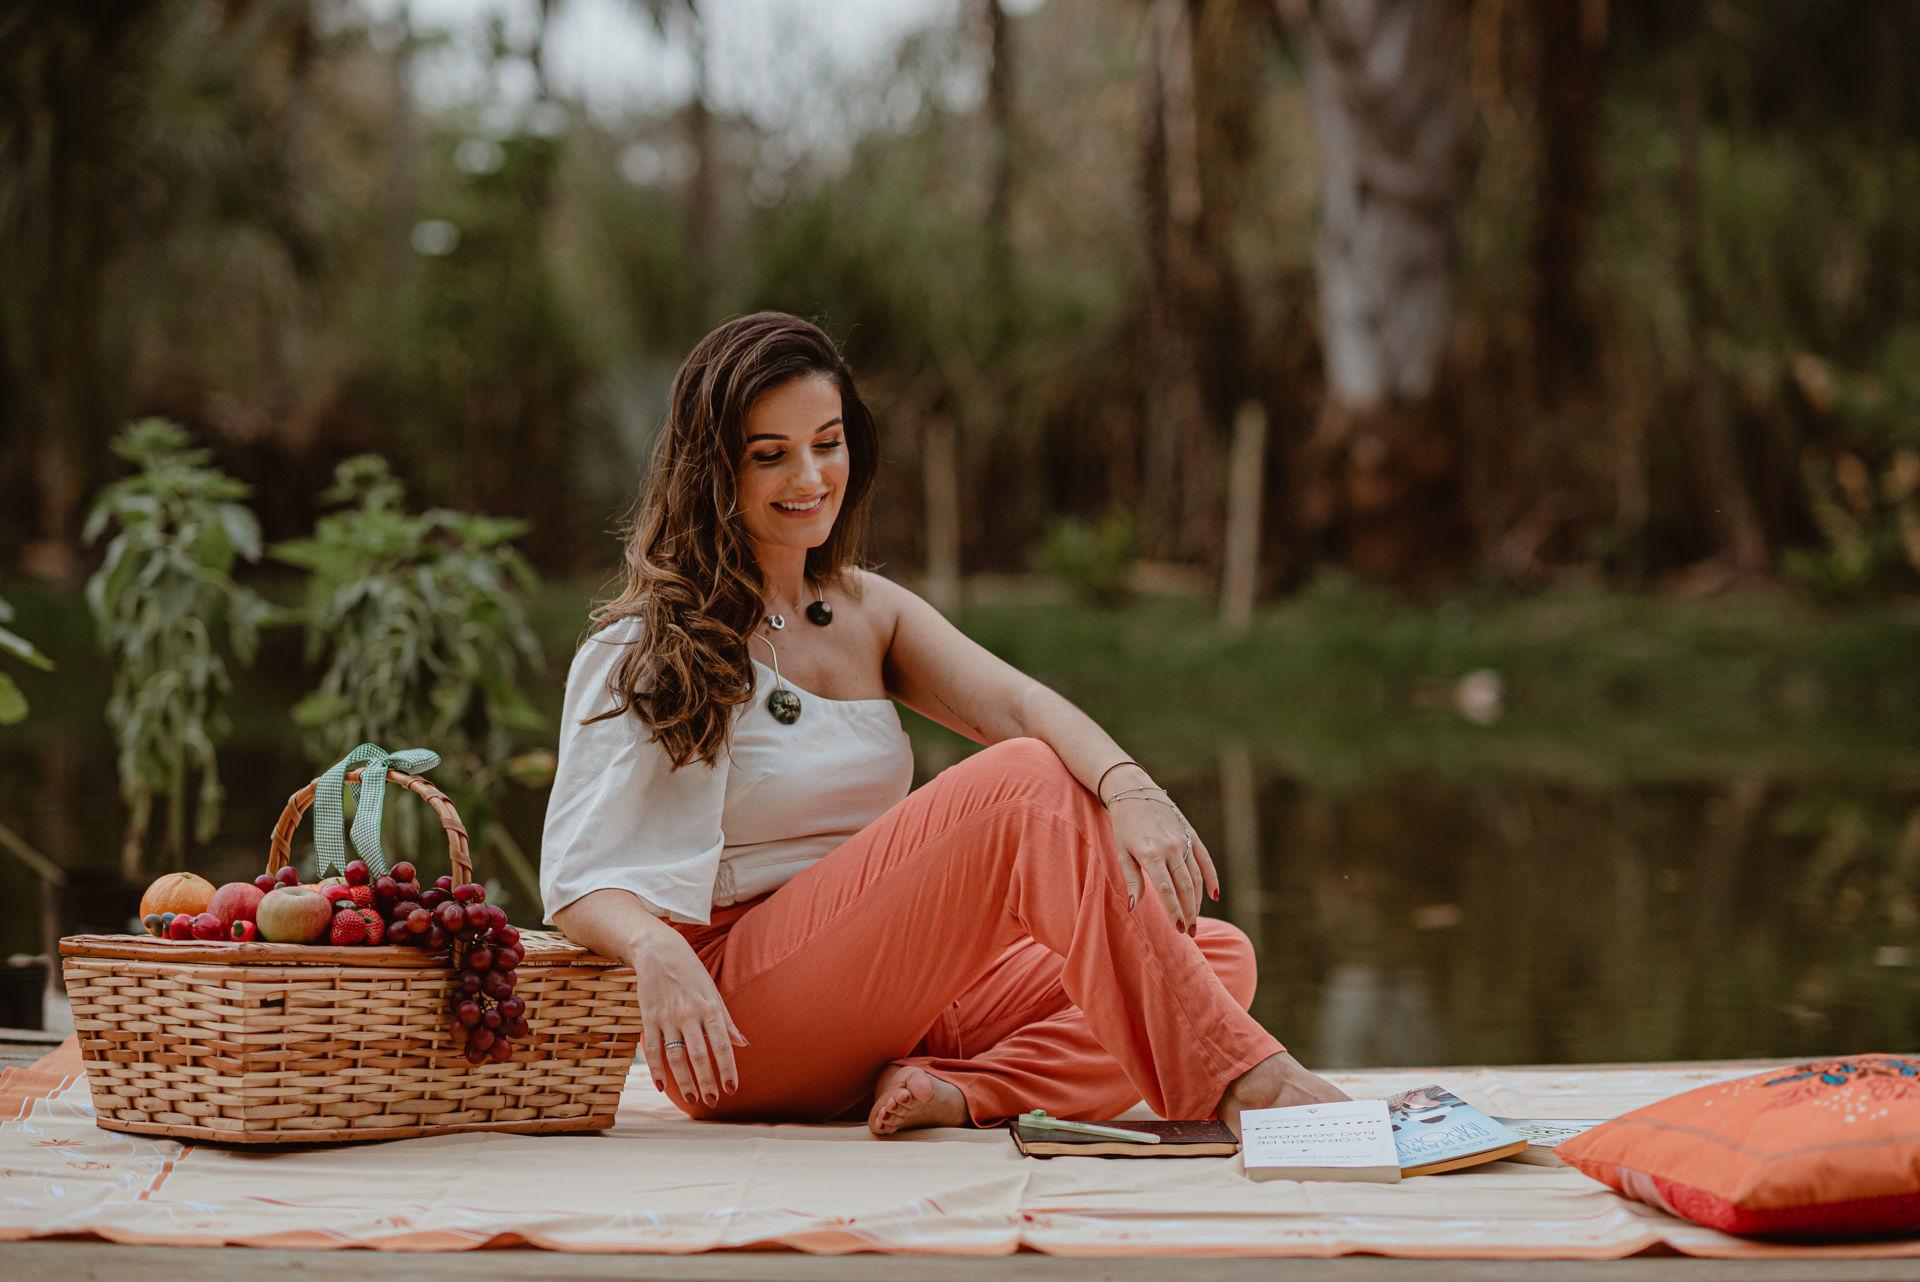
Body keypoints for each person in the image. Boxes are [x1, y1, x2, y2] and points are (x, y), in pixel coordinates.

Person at [542, 312, 1347, 1136]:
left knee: (1209, 957)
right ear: (713, 471)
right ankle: (1251, 1084)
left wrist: (1131, 789)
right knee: (1025, 785)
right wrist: (653, 948)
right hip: (741, 1019)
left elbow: (1020, 704)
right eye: (769, 455)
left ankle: (965, 1092)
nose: (810, 476)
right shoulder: (646, 645)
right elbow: (574, 878)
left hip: (887, 996)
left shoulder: (864, 609)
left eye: (828, 442)